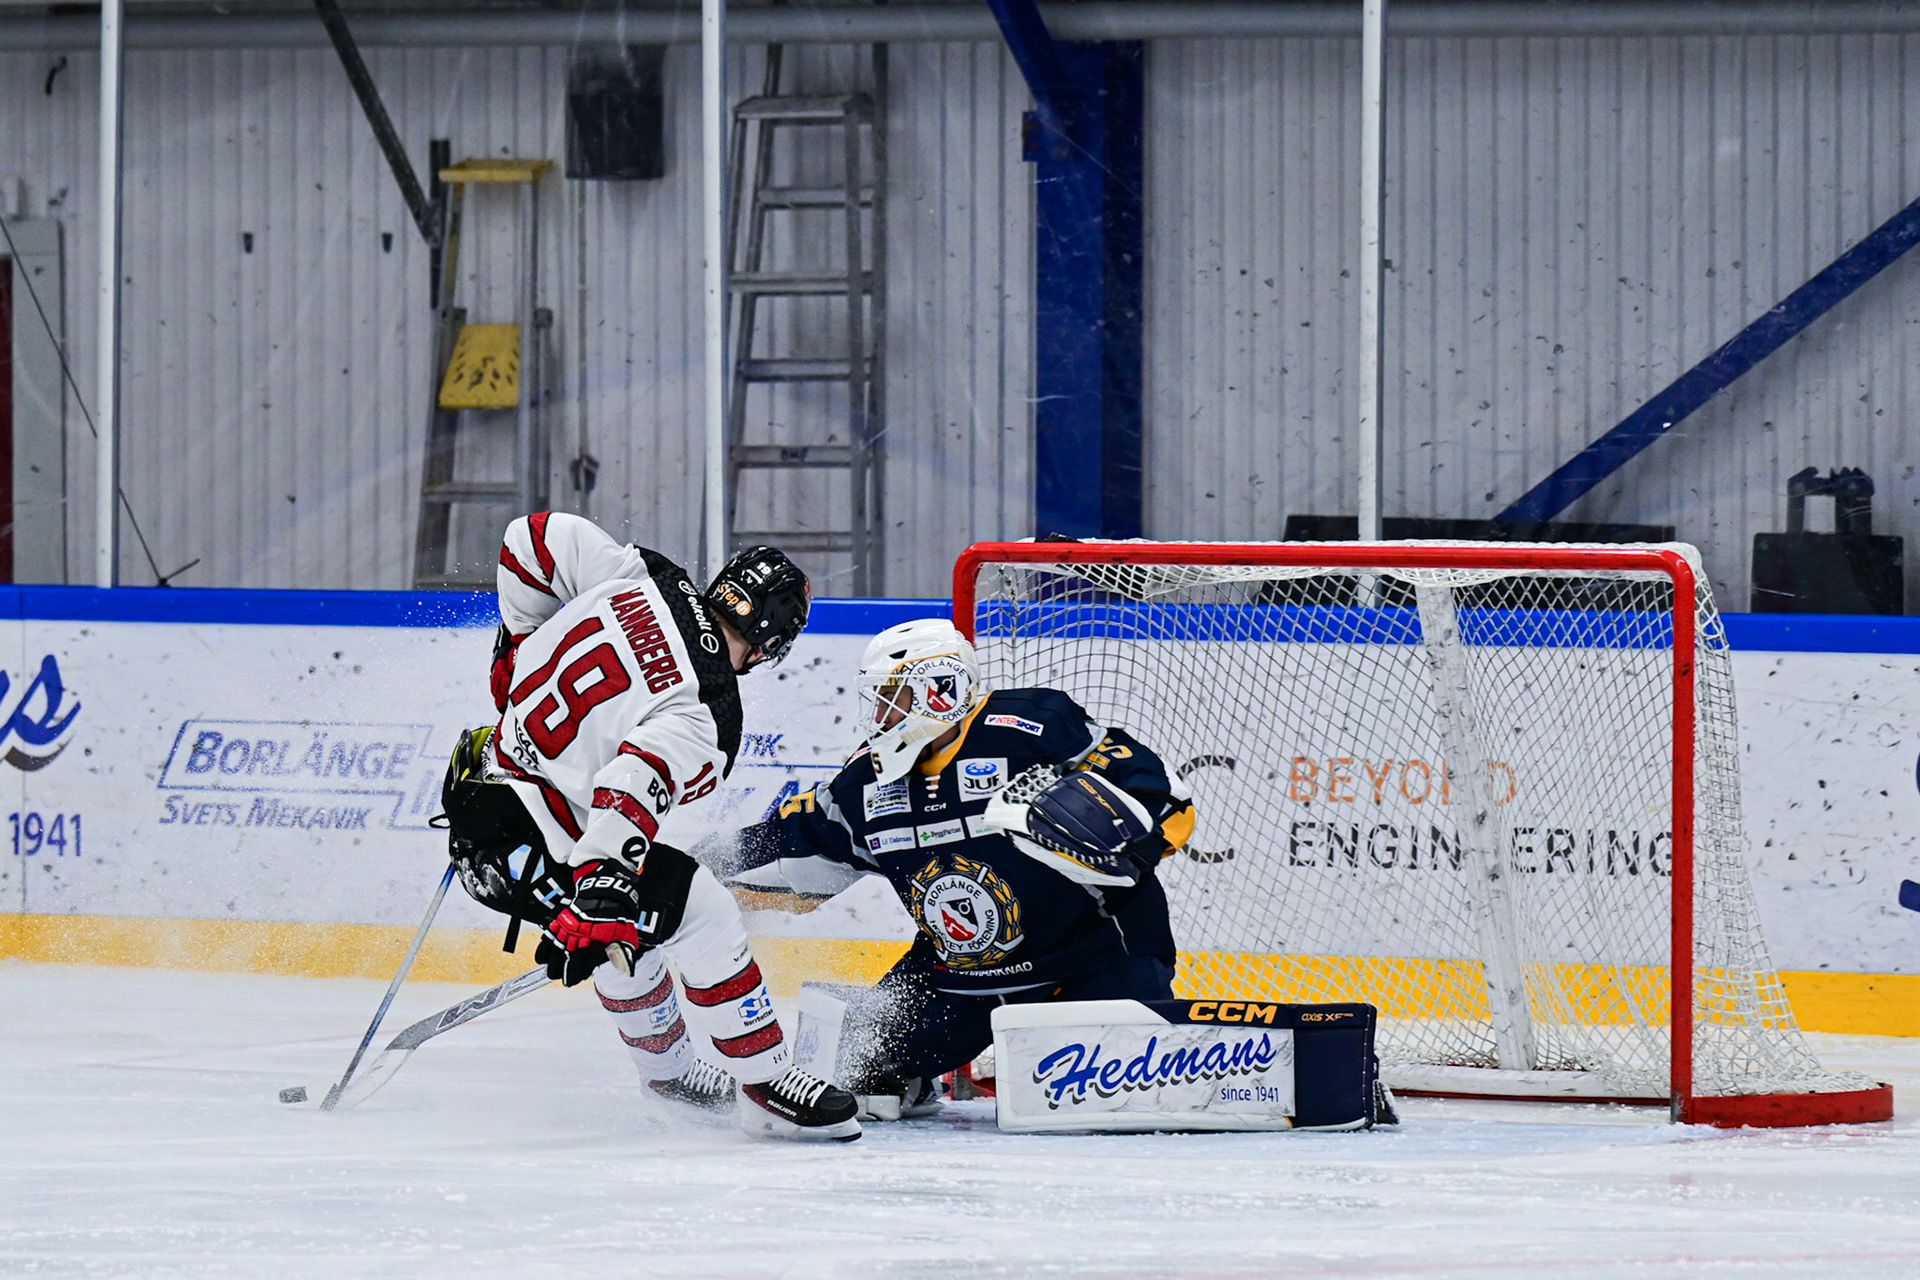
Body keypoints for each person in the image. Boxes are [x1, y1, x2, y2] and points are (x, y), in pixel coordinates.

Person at [438, 511, 860, 1141]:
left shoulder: (647, 574)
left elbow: (533, 538)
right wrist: (602, 886)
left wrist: (517, 640)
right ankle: (766, 1081)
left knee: (635, 918)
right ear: (772, 641)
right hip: (521, 852)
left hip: (478, 784)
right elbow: (631, 784)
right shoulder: (709, 708)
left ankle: (670, 1075)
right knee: (702, 912)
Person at [713, 618, 1197, 1116]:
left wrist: (1132, 844)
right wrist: (691, 869)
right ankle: (919, 1081)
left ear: (938, 689)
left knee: (1113, 1098)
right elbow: (789, 844)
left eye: (891, 697)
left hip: (1094, 959)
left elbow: (1160, 794)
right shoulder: (866, 785)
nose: (879, 714)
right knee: (855, 1069)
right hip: (961, 977)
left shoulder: (1034, 728)